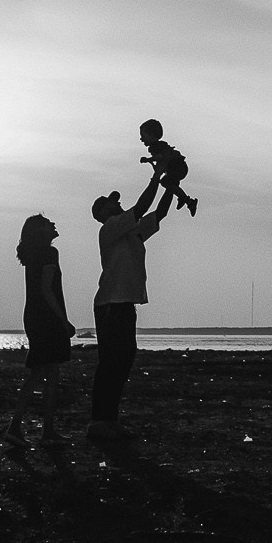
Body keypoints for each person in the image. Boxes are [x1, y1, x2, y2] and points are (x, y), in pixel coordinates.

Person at [87, 167, 178, 440]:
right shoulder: (109, 228)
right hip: (110, 304)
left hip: (124, 303)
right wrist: (157, 176)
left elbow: (158, 214)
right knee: (111, 363)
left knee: (123, 360)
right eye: (110, 202)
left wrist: (171, 185)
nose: (116, 203)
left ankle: (108, 419)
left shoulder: (131, 231)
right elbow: (141, 207)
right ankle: (100, 421)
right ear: (102, 213)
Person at [4, 214, 76, 447]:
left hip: (35, 315)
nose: (53, 224)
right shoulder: (49, 253)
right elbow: (47, 290)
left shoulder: (34, 255)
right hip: (46, 318)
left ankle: (47, 429)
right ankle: (16, 427)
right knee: (40, 373)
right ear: (40, 231)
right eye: (47, 223)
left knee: (50, 372)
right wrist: (63, 320)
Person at [138, 118, 198, 216]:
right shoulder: (157, 146)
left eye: (143, 136)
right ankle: (186, 200)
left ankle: (185, 199)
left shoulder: (157, 146)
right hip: (177, 167)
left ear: (151, 135)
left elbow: (161, 156)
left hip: (178, 167)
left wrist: (149, 159)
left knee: (166, 182)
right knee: (169, 184)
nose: (141, 139)